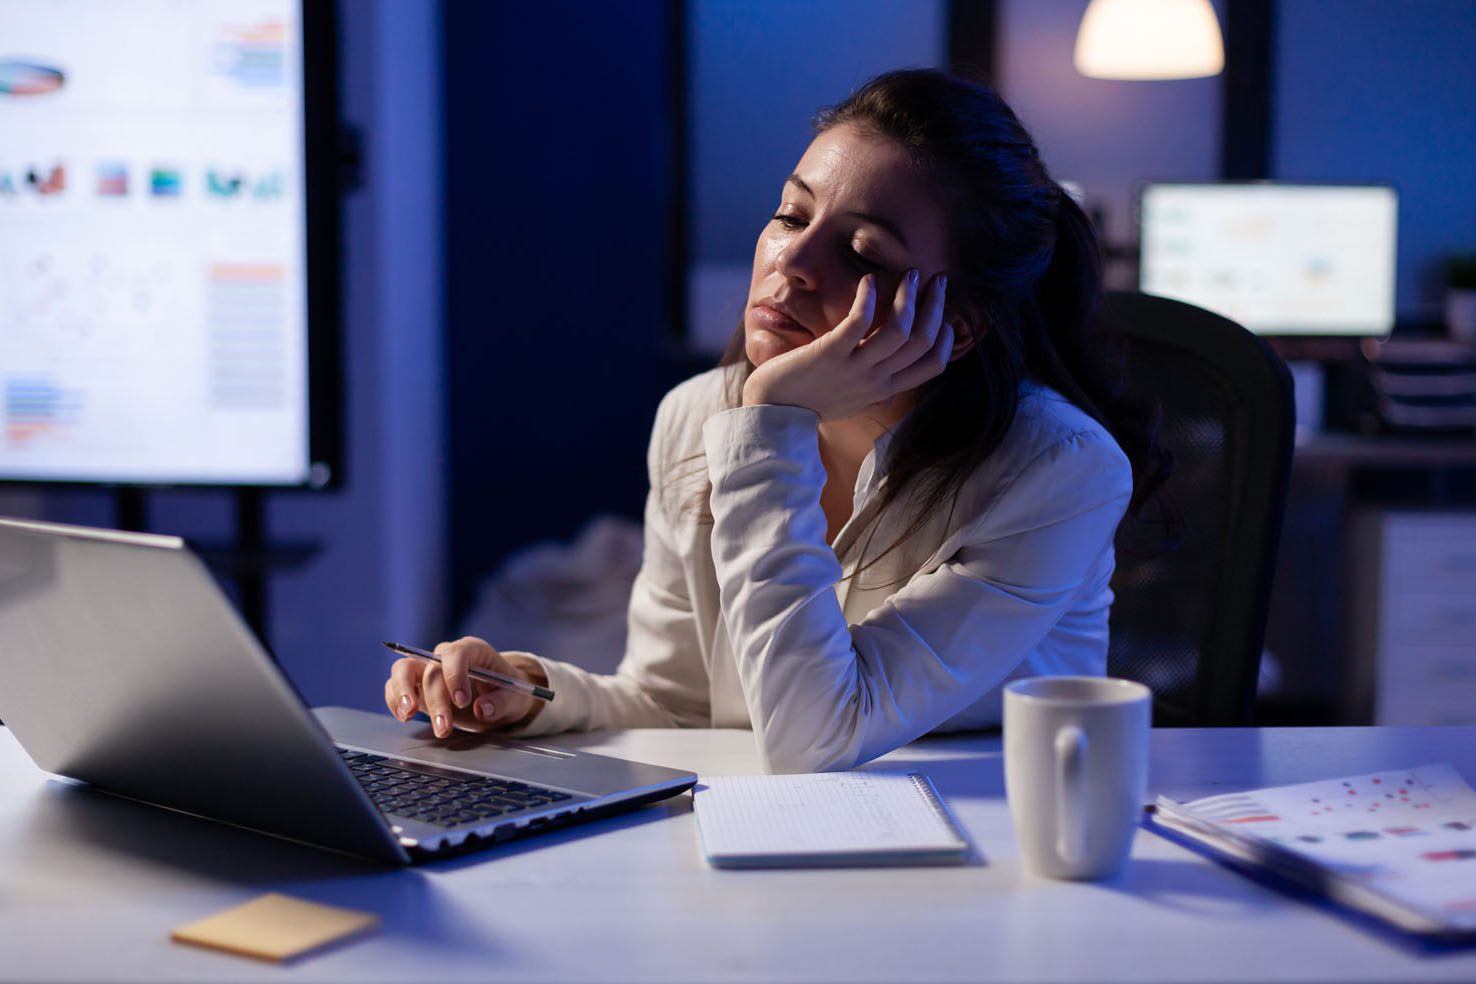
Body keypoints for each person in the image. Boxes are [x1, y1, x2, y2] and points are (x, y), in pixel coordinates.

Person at [385, 69, 1168, 773]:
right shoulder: (696, 416)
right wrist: (528, 692)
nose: (791, 262)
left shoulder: (1059, 468)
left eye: (862, 253)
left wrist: (773, 425)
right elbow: (679, 704)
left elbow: (816, 733)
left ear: (954, 327)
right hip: (774, 846)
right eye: (792, 216)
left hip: (992, 863)